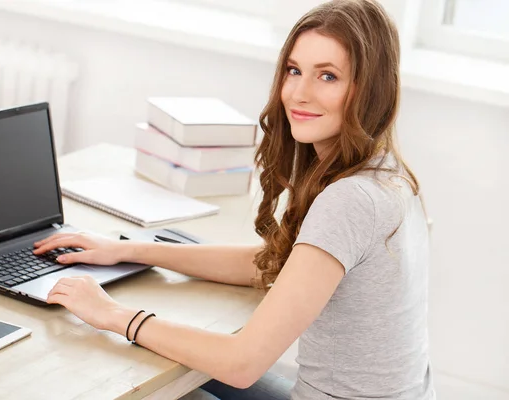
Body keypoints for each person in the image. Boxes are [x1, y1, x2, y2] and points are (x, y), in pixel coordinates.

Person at [33, 0, 435, 398]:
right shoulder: (389, 174)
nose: (299, 93)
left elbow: (242, 365)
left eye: (328, 76)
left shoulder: (350, 200)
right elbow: (274, 264)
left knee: (147, 381)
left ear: (370, 90)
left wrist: (113, 315)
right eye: (294, 71)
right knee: (178, 367)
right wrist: (130, 250)